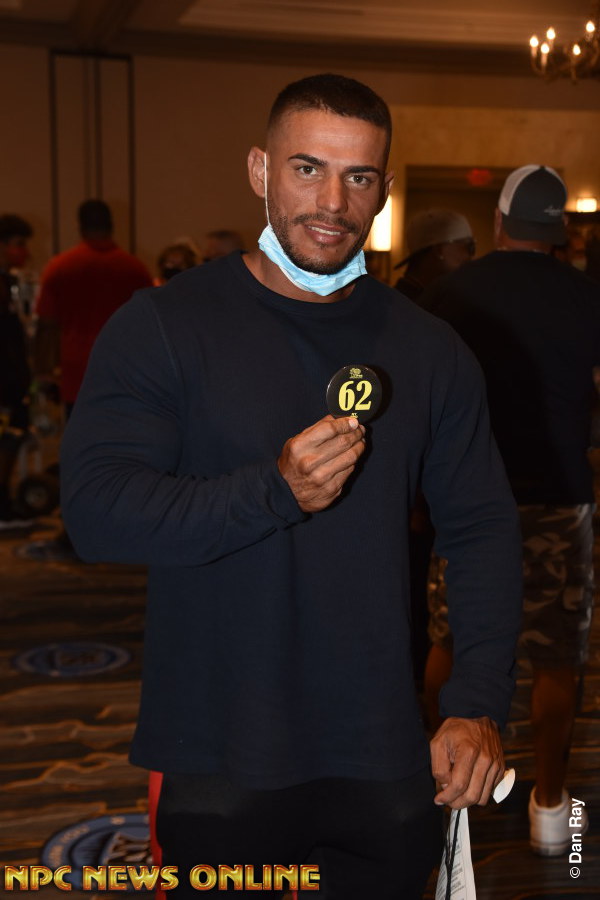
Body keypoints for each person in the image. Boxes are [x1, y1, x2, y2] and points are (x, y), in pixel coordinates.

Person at [61, 74, 522, 899]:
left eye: (358, 176)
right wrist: (273, 491)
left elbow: (483, 528)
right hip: (219, 750)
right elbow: (97, 515)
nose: (333, 202)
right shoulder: (166, 323)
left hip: (381, 747)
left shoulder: (430, 349)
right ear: (259, 170)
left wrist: (476, 699)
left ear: (383, 188)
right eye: (307, 169)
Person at [421, 165, 599, 857]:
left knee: (451, 639)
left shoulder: (452, 293)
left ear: (498, 222)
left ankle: (442, 784)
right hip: (560, 497)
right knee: (557, 656)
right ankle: (551, 804)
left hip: (466, 496)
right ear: (560, 229)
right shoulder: (587, 297)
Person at [28, 200, 152, 560]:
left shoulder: (61, 267)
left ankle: (74, 534)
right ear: (112, 225)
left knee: (79, 458)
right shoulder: (133, 269)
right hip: (130, 377)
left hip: (77, 375)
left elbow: (46, 327)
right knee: (131, 458)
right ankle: (125, 530)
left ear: (80, 226)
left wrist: (41, 375)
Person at [394, 208, 476, 689]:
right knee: (412, 604)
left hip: (420, 489)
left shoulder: (417, 301)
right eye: (468, 249)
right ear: (443, 251)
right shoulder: (414, 310)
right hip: (413, 491)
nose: (472, 259)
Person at [0, 214, 35, 529]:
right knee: (8, 436)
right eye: (18, 244)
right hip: (5, 381)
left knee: (14, 434)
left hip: (12, 379)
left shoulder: (9, 282)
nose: (23, 252)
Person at [394, 208, 475, 302]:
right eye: (469, 246)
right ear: (439, 250)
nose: (470, 257)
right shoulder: (413, 304)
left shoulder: (423, 297)